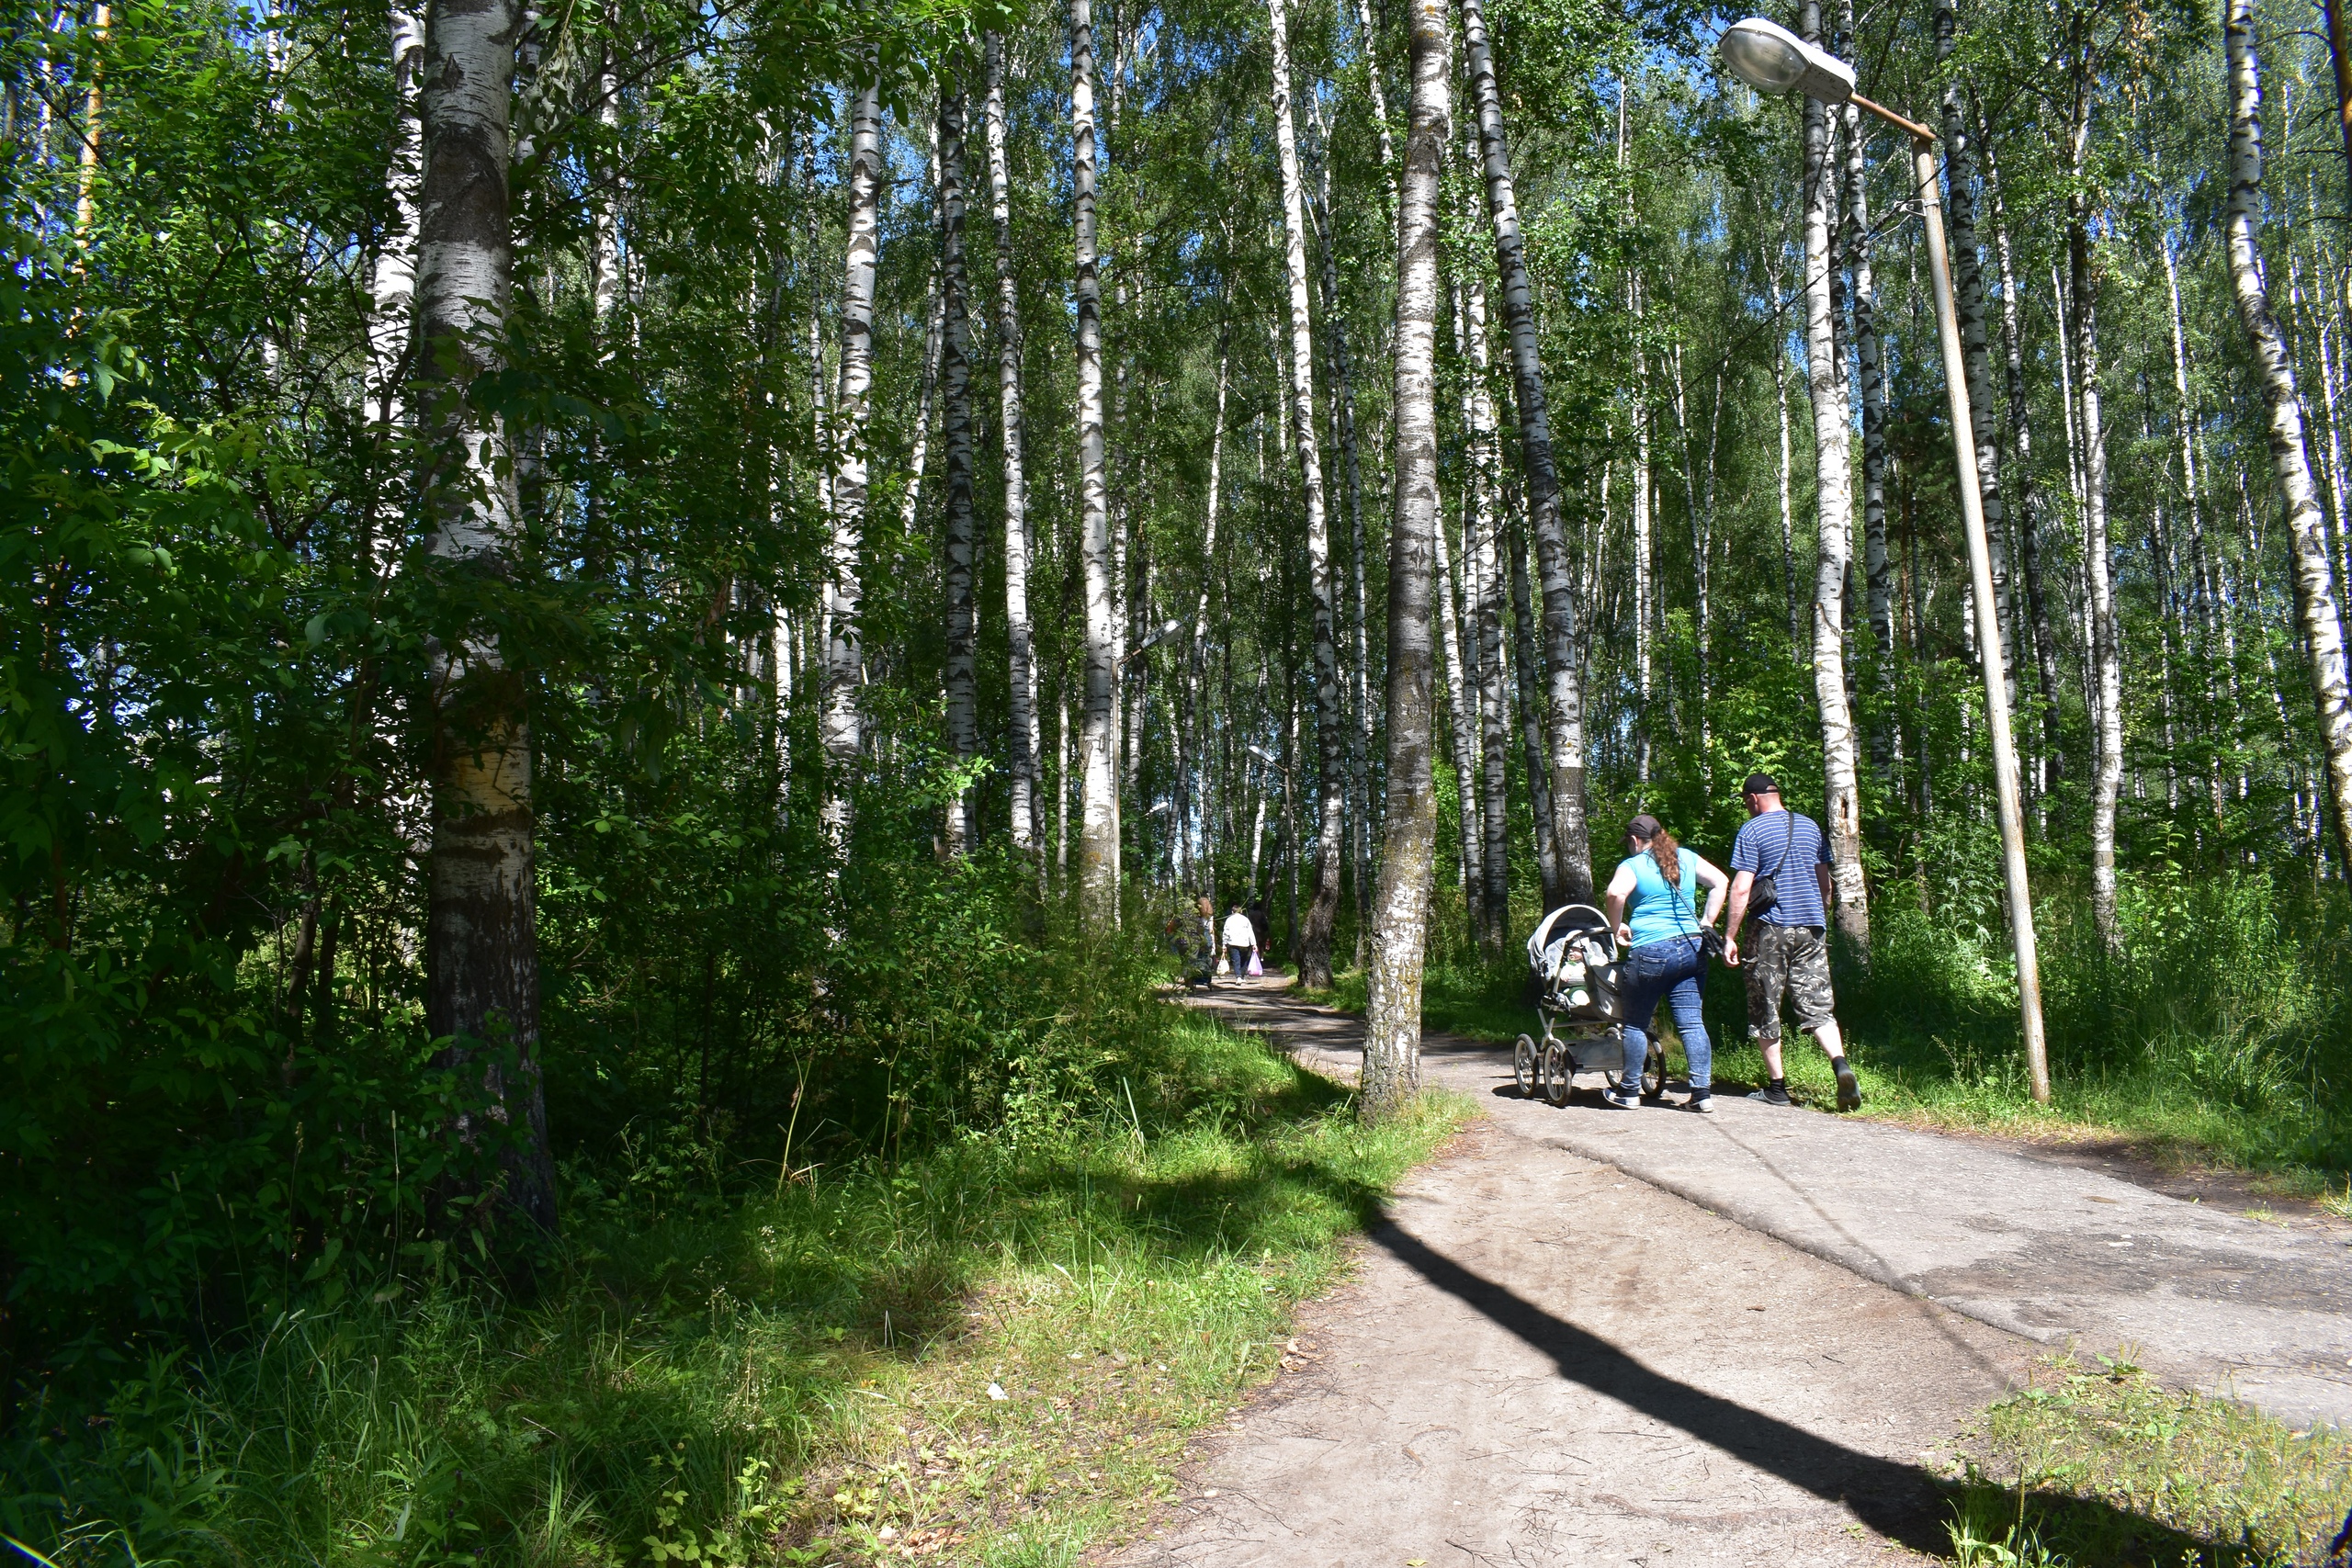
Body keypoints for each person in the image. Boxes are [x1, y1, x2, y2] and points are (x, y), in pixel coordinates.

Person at [1723, 772, 1861, 1111]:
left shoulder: (1752, 830)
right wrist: (1821, 911)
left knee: (1765, 1005)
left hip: (1770, 929)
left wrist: (1730, 936)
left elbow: (1741, 888)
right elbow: (1824, 882)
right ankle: (1839, 1062)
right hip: (1811, 926)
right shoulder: (1810, 826)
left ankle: (1777, 1088)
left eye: (1745, 802)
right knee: (1817, 1004)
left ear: (1753, 799)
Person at [1600, 814, 1729, 1112]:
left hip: (1651, 950)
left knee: (1635, 1023)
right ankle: (1701, 1095)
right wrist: (1707, 921)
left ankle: (1629, 1091)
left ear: (1634, 840)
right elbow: (1721, 882)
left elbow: (1614, 893)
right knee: (1692, 1023)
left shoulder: (1632, 866)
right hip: (1691, 947)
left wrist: (1616, 926)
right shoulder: (1685, 857)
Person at [1221, 900, 1259, 983]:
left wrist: (1224, 944)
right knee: (1244, 959)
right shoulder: (1246, 920)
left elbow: (1225, 932)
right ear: (1241, 911)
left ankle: (1238, 977)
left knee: (1236, 960)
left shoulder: (1229, 920)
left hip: (1233, 942)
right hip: (1245, 943)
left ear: (1232, 911)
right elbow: (1250, 932)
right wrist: (1254, 944)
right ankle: (1241, 976)